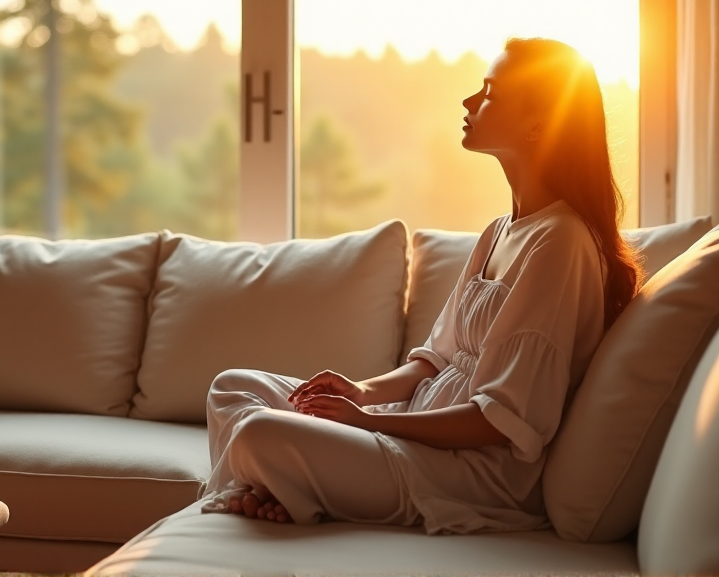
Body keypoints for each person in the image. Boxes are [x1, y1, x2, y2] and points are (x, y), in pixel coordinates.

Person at [200, 38, 643, 532]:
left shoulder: (561, 244)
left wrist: (368, 422)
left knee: (259, 433)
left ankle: (275, 485)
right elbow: (435, 359)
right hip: (411, 424)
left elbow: (500, 420)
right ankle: (278, 487)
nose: (469, 101)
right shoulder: (500, 231)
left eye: (490, 92)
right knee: (233, 388)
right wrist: (361, 392)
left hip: (464, 470)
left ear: (538, 123)